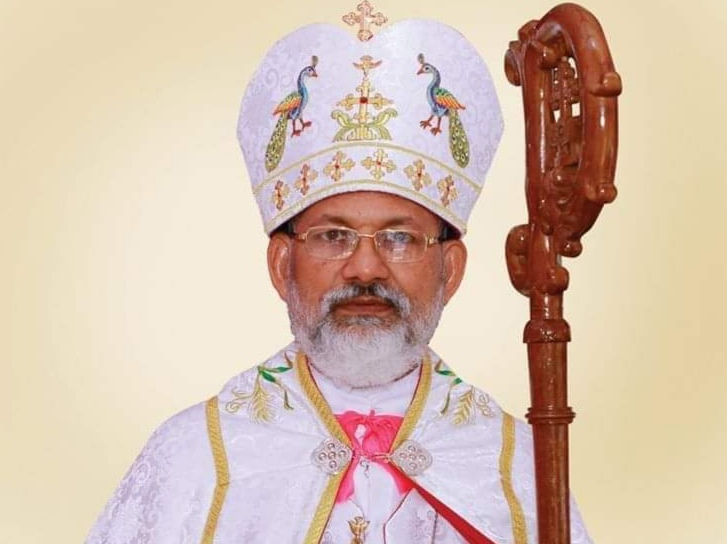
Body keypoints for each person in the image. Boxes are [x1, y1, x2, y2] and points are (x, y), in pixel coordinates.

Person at [87, 13, 592, 544]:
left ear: (451, 269)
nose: (366, 268)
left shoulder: (515, 468)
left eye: (399, 238)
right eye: (333, 236)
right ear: (281, 265)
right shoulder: (193, 460)